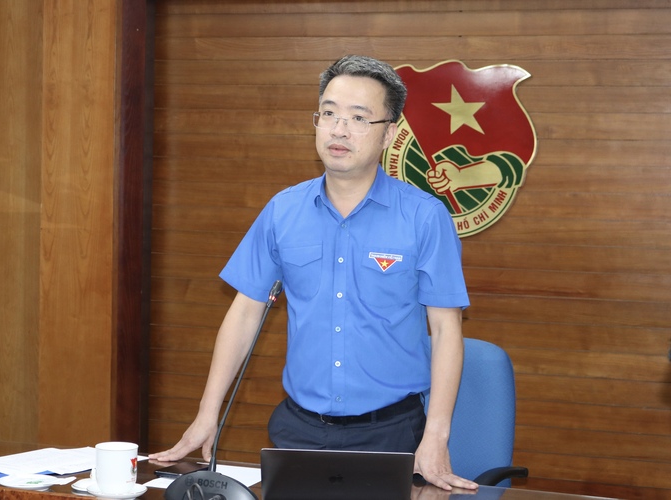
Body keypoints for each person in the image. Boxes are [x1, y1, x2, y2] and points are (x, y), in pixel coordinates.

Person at [149, 55, 478, 492]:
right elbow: (244, 313)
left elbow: (447, 329)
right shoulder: (283, 210)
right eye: (329, 113)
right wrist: (206, 414)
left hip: (391, 435)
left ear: (389, 134)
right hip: (298, 432)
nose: (339, 129)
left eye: (358, 118)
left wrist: (436, 435)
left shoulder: (424, 217)